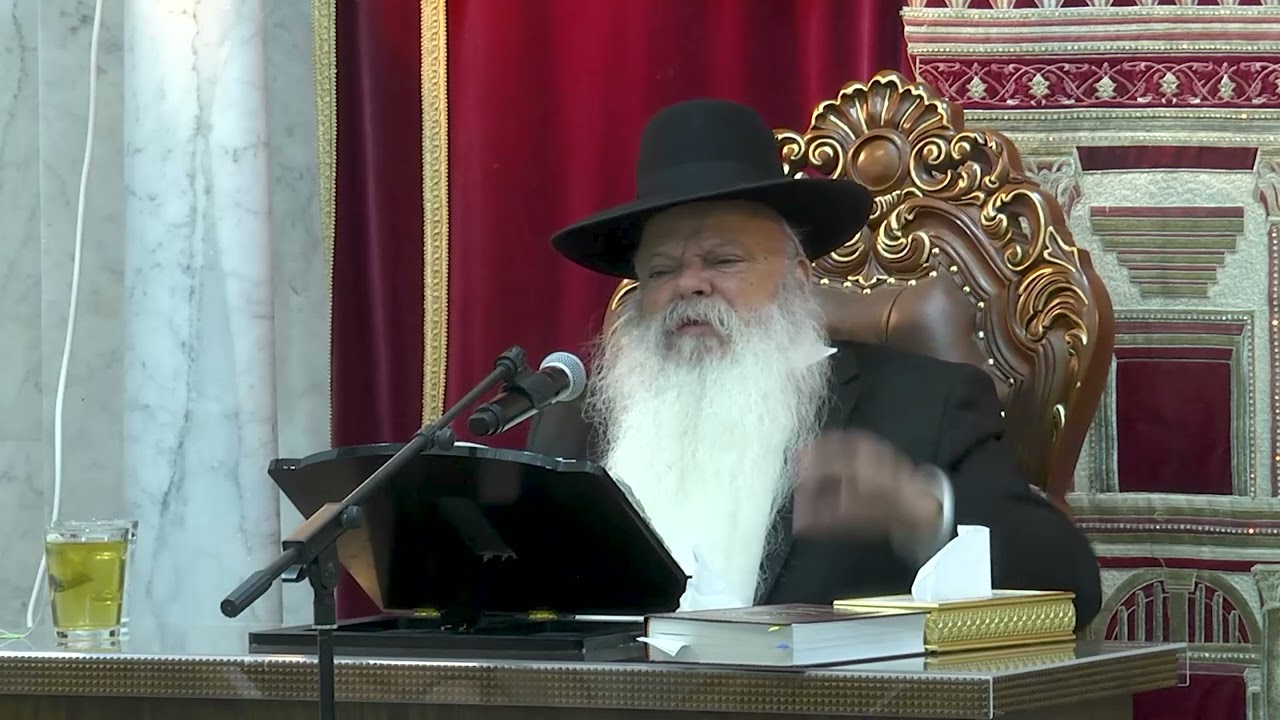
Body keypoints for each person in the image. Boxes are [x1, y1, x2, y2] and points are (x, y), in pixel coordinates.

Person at [528, 98, 1102, 629]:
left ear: (798, 278)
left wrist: (920, 512)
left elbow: (1071, 588)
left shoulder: (924, 405)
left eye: (723, 260)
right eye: (661, 271)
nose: (690, 285)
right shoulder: (578, 424)